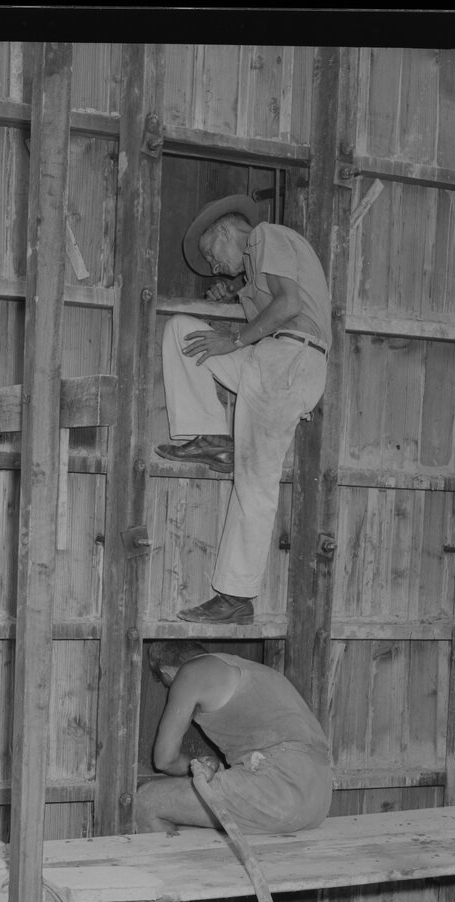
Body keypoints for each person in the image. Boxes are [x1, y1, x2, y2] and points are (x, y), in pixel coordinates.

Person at [155, 195, 331, 624]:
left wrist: (233, 339)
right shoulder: (255, 270)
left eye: (211, 255)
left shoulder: (266, 236)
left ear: (224, 231)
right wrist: (235, 294)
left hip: (289, 360)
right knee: (182, 332)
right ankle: (212, 437)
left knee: (255, 482)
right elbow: (269, 305)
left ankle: (236, 596)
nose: (214, 267)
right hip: (269, 361)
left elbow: (288, 306)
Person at [133, 641, 333, 838]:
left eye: (167, 684)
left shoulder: (191, 671)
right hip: (318, 797)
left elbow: (165, 760)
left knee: (147, 801)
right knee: (187, 824)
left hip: (279, 788)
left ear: (166, 671)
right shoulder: (253, 670)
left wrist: (194, 764)